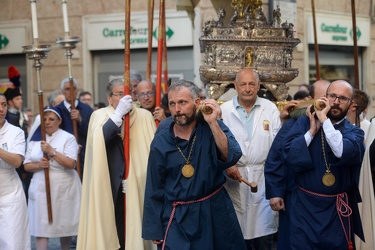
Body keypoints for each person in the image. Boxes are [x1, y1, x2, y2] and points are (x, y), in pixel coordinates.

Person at [142, 79, 246, 250]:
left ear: (197, 102)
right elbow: (154, 187)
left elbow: (232, 156)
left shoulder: (211, 126)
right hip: (178, 216)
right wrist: (154, 228)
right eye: (173, 103)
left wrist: (213, 122)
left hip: (214, 210)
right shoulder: (161, 140)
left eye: (182, 102)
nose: (177, 109)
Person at [282, 80, 365, 249]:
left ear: (351, 104)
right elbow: (288, 155)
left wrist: (324, 120)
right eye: (332, 96)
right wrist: (312, 132)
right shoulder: (304, 123)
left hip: (335, 211)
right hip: (304, 208)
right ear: (325, 97)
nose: (336, 102)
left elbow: (341, 150)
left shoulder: (355, 132)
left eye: (342, 98)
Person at [77, 76, 156, 250]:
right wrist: (118, 115)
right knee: (111, 229)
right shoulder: (98, 115)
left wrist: (136, 177)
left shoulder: (144, 116)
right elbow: (100, 138)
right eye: (120, 94)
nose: (125, 98)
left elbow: (151, 153)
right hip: (108, 182)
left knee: (134, 229)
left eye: (128, 94)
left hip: (135, 183)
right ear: (109, 98)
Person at [265, 79, 330, 249]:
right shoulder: (297, 123)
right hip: (297, 196)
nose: (326, 103)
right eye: (322, 98)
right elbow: (276, 157)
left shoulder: (336, 124)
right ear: (310, 99)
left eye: (329, 97)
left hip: (327, 200)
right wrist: (276, 192)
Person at [220, 68, 281, 250]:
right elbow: (216, 144)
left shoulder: (270, 108)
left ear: (258, 86)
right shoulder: (224, 110)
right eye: (243, 84)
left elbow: (278, 146)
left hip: (263, 177)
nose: (247, 88)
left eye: (251, 84)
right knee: (236, 236)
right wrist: (227, 165)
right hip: (233, 178)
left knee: (263, 238)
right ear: (236, 86)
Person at [24, 106, 81, 250]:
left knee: (64, 223)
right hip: (41, 186)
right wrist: (39, 165)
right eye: (44, 119)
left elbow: (71, 164)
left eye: (51, 119)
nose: (47, 122)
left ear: (60, 121)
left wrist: (52, 152)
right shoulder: (35, 140)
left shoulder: (68, 138)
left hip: (64, 186)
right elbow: (26, 165)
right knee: (41, 225)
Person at [0, 93, 30, 250]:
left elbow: (17, 161)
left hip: (10, 194)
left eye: (4, 105)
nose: (1, 109)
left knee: (12, 243)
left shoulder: (15, 132)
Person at [55, 77, 93, 175]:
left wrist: (80, 120)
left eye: (74, 89)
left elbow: (92, 131)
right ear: (62, 91)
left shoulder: (86, 109)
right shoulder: (57, 110)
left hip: (84, 156)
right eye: (67, 89)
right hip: (64, 157)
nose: (71, 92)